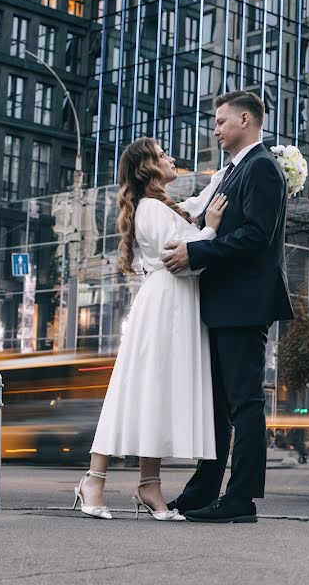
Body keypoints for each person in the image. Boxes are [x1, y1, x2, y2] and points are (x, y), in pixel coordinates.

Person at [73, 137, 229, 521]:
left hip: (172, 305)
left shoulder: (159, 206)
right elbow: (181, 259)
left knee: (153, 393)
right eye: (163, 155)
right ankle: (93, 479)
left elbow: (192, 207)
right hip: (165, 304)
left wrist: (224, 175)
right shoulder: (150, 209)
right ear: (148, 167)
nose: (172, 157)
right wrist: (209, 231)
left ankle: (149, 485)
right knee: (136, 390)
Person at [163, 91, 294, 523]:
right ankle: (202, 491)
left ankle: (241, 500)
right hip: (224, 303)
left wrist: (195, 255)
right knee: (217, 407)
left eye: (220, 121)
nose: (215, 129)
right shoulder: (235, 171)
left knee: (244, 403)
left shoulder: (262, 169)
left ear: (244, 119)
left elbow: (257, 236)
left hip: (244, 304)